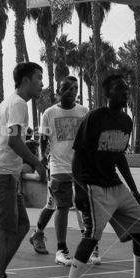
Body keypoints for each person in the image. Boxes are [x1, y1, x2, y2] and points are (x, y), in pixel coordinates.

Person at [57, 71, 140, 278]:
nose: (125, 93)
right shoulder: (95, 117)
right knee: (91, 236)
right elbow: (78, 154)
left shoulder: (127, 121)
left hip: (115, 185)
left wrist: (133, 188)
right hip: (92, 185)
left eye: (127, 89)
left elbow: (119, 156)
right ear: (107, 93)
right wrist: (79, 189)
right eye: (119, 89)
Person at [0, 63, 47, 278]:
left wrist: (18, 167)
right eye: (39, 78)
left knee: (21, 225)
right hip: (0, 176)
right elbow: (13, 141)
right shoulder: (19, 103)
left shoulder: (5, 103)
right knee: (3, 232)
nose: (42, 83)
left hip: (5, 174)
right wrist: (37, 163)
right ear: (27, 79)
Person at [29, 75, 91, 266]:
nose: (72, 91)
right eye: (67, 88)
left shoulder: (84, 111)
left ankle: (39, 233)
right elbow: (43, 140)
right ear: (58, 92)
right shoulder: (49, 113)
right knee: (61, 206)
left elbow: (88, 139)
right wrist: (42, 162)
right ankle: (61, 249)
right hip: (58, 166)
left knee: (63, 205)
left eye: (75, 88)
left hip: (79, 167)